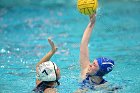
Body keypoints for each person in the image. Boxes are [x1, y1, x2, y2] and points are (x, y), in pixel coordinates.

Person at [75, 14, 115, 92]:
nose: (89, 64)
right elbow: (83, 44)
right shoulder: (85, 72)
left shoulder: (106, 87)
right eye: (93, 62)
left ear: (99, 72)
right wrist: (92, 23)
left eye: (94, 65)